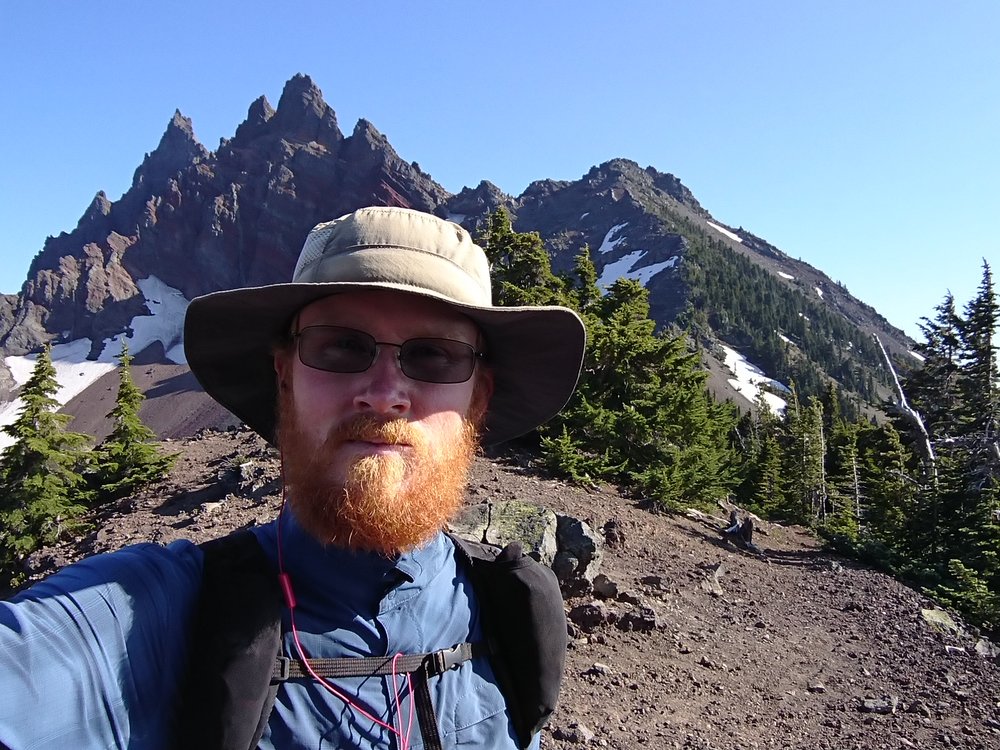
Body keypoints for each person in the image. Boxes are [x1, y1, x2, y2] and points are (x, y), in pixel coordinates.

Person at [0, 207, 587, 749]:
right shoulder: (154, 616)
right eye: (340, 348)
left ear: (477, 400)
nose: (384, 395)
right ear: (284, 377)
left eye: (436, 356)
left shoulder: (510, 619)